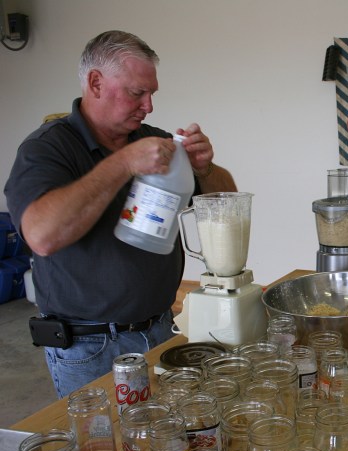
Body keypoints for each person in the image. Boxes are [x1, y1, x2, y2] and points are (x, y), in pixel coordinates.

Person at [3, 30, 237, 398]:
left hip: (159, 329)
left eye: (151, 94)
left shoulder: (152, 139)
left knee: (169, 442)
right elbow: (42, 235)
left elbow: (224, 206)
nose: (149, 106)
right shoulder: (46, 149)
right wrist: (123, 163)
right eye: (136, 93)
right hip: (88, 346)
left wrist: (205, 168)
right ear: (95, 82)